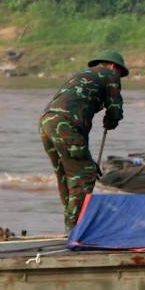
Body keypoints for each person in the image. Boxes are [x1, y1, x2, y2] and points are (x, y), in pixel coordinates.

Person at [40, 51, 127, 231]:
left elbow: (79, 125)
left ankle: (69, 227)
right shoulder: (109, 74)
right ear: (113, 66)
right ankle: (74, 230)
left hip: (47, 122)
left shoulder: (83, 75)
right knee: (85, 174)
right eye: (119, 72)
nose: (119, 77)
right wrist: (112, 120)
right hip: (65, 124)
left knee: (66, 175)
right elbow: (115, 107)